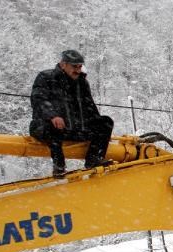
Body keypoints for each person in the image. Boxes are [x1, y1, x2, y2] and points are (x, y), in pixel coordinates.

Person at [29, 50, 114, 178]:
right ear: (63, 64)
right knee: (52, 127)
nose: (78, 70)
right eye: (74, 66)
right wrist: (53, 116)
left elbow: (90, 107)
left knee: (105, 122)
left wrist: (103, 135)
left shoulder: (82, 83)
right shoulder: (45, 77)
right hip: (47, 128)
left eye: (80, 66)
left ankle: (93, 160)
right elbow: (38, 100)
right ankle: (59, 166)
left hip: (74, 129)